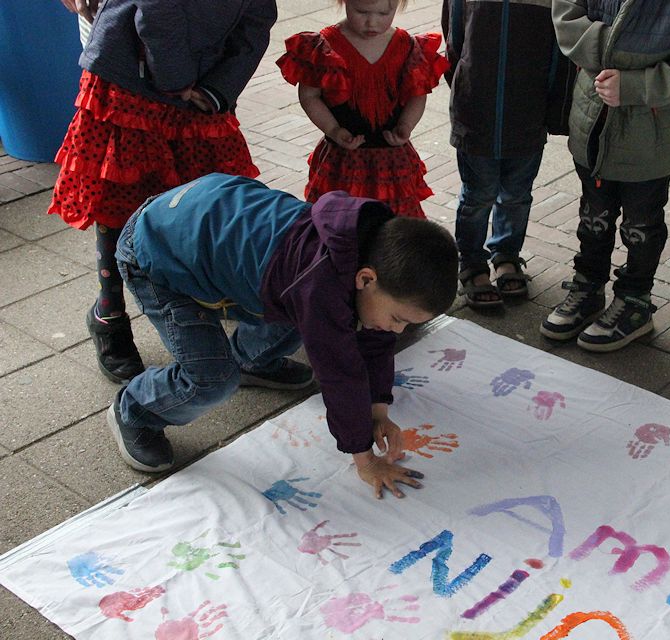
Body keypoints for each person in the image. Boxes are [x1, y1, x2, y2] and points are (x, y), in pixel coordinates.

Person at [109, 173, 458, 499]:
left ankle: (250, 361)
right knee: (213, 379)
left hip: (206, 226)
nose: (398, 330)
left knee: (317, 313)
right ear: (366, 279)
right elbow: (340, 374)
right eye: (398, 319)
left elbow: (375, 340)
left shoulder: (367, 248)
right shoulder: (319, 284)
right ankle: (135, 410)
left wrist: (377, 408)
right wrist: (365, 459)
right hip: (156, 253)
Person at [47, 0, 278, 385]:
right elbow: (157, 10)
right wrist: (177, 80)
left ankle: (194, 308)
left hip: (196, 85)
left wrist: (219, 88)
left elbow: (258, 17)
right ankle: (109, 313)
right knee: (121, 202)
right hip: (130, 78)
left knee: (197, 200)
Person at [541, 0, 670, 351]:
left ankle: (634, 301)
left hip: (650, 126)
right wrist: (611, 49)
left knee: (641, 224)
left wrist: (636, 83)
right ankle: (588, 286)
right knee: (593, 212)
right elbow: (565, 15)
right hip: (592, 114)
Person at [276, 0, 448, 218]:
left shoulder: (408, 47)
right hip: (343, 158)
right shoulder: (324, 47)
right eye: (361, 12)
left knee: (393, 225)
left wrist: (406, 125)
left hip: (393, 160)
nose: (372, 22)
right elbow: (310, 95)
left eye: (384, 13)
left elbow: (417, 93)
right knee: (338, 221)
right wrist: (333, 130)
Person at [441, 0, 559, 308]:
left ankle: (506, 255)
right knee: (477, 195)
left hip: (528, 112)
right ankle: (471, 263)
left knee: (517, 195)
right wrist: (464, 85)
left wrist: (552, 105)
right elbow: (453, 38)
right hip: (477, 110)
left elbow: (560, 49)